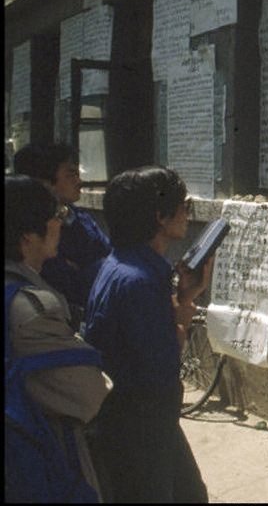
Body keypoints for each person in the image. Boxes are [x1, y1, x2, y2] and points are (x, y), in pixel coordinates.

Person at [84, 166, 212, 503]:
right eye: (184, 206)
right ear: (160, 216)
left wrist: (184, 298)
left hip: (140, 422)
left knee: (191, 495)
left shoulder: (121, 266)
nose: (187, 214)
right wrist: (181, 321)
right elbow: (161, 368)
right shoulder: (139, 282)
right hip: (139, 426)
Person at [5, 175, 112, 500]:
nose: (61, 225)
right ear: (27, 238)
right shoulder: (31, 310)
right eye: (56, 216)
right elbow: (90, 393)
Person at [14, 143, 112, 329]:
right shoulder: (25, 227)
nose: (79, 181)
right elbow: (60, 279)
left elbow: (107, 258)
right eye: (70, 174)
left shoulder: (78, 217)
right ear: (44, 182)